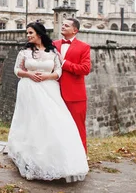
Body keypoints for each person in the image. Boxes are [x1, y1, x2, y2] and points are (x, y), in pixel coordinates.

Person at [7, 22, 89, 182]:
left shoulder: (54, 51)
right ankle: (29, 158)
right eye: (27, 33)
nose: (28, 36)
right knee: (29, 123)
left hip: (50, 90)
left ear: (39, 33)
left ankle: (61, 159)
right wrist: (28, 74)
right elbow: (16, 69)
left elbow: (58, 71)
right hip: (29, 91)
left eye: (31, 33)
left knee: (53, 123)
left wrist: (47, 76)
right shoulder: (24, 51)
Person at [53, 18, 91, 154]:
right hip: (54, 93)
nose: (62, 26)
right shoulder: (54, 45)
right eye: (62, 24)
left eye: (66, 25)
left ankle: (81, 156)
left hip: (75, 95)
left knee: (78, 127)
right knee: (57, 127)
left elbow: (85, 69)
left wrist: (64, 63)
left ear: (75, 30)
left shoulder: (84, 47)